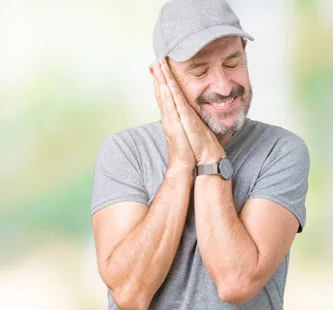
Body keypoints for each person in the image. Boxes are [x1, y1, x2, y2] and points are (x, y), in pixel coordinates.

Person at [90, 0, 310, 309]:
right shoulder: (125, 153)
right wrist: (180, 164)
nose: (222, 86)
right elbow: (130, 293)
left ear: (245, 52)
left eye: (232, 62)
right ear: (163, 76)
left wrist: (208, 157)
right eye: (199, 70)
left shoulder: (281, 150)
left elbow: (236, 281)